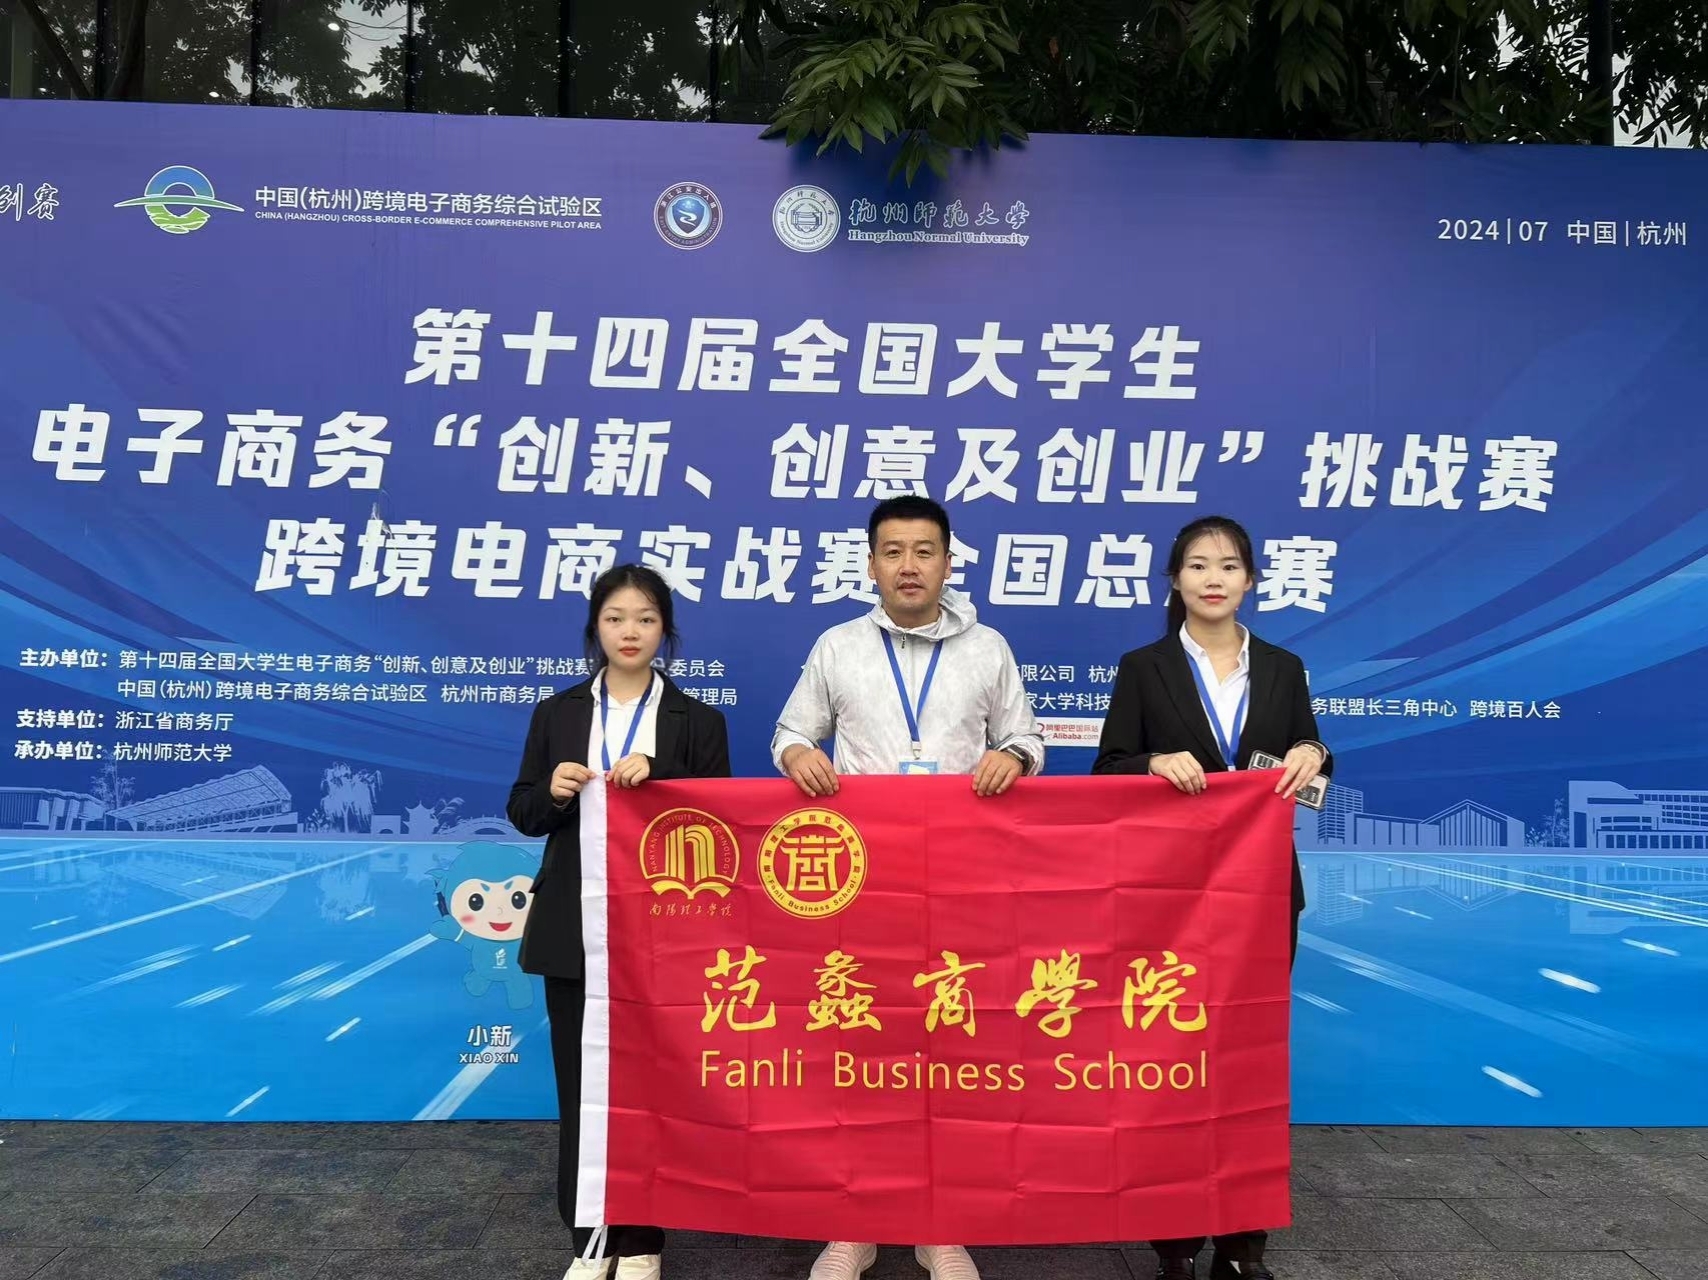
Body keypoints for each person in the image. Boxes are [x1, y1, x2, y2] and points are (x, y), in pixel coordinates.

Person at [772, 494, 1046, 1280]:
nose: (909, 566)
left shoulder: (988, 648)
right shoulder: (838, 646)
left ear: (948, 562)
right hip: (862, 882)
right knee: (860, 1049)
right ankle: (853, 1226)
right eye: (892, 552)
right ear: (870, 565)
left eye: (924, 551)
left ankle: (940, 1225)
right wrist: (797, 755)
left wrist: (1015, 757)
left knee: (951, 1051)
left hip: (961, 881)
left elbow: (1024, 734)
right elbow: (791, 730)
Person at [1091, 515, 1329, 1280]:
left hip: (1261, 892)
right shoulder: (1145, 667)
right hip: (1170, 895)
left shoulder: (1284, 668)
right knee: (1172, 1056)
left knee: (1247, 1061)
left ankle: (1242, 1243)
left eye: (1228, 565)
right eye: (1197, 565)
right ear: (1175, 580)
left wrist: (1313, 752)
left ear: (1250, 580)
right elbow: (1108, 768)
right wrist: (1153, 763)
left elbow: (1312, 771)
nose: (1213, 578)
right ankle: (1174, 1240)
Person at [508, 564, 731, 1280]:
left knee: (651, 1089)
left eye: (645, 618)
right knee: (581, 1089)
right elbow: (523, 812)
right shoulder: (558, 713)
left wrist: (661, 780)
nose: (629, 631)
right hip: (573, 929)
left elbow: (720, 824)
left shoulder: (698, 722)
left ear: (666, 630)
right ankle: (590, 1240)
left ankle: (640, 1241)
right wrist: (554, 790)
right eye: (615, 618)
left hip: (662, 933)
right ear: (594, 628)